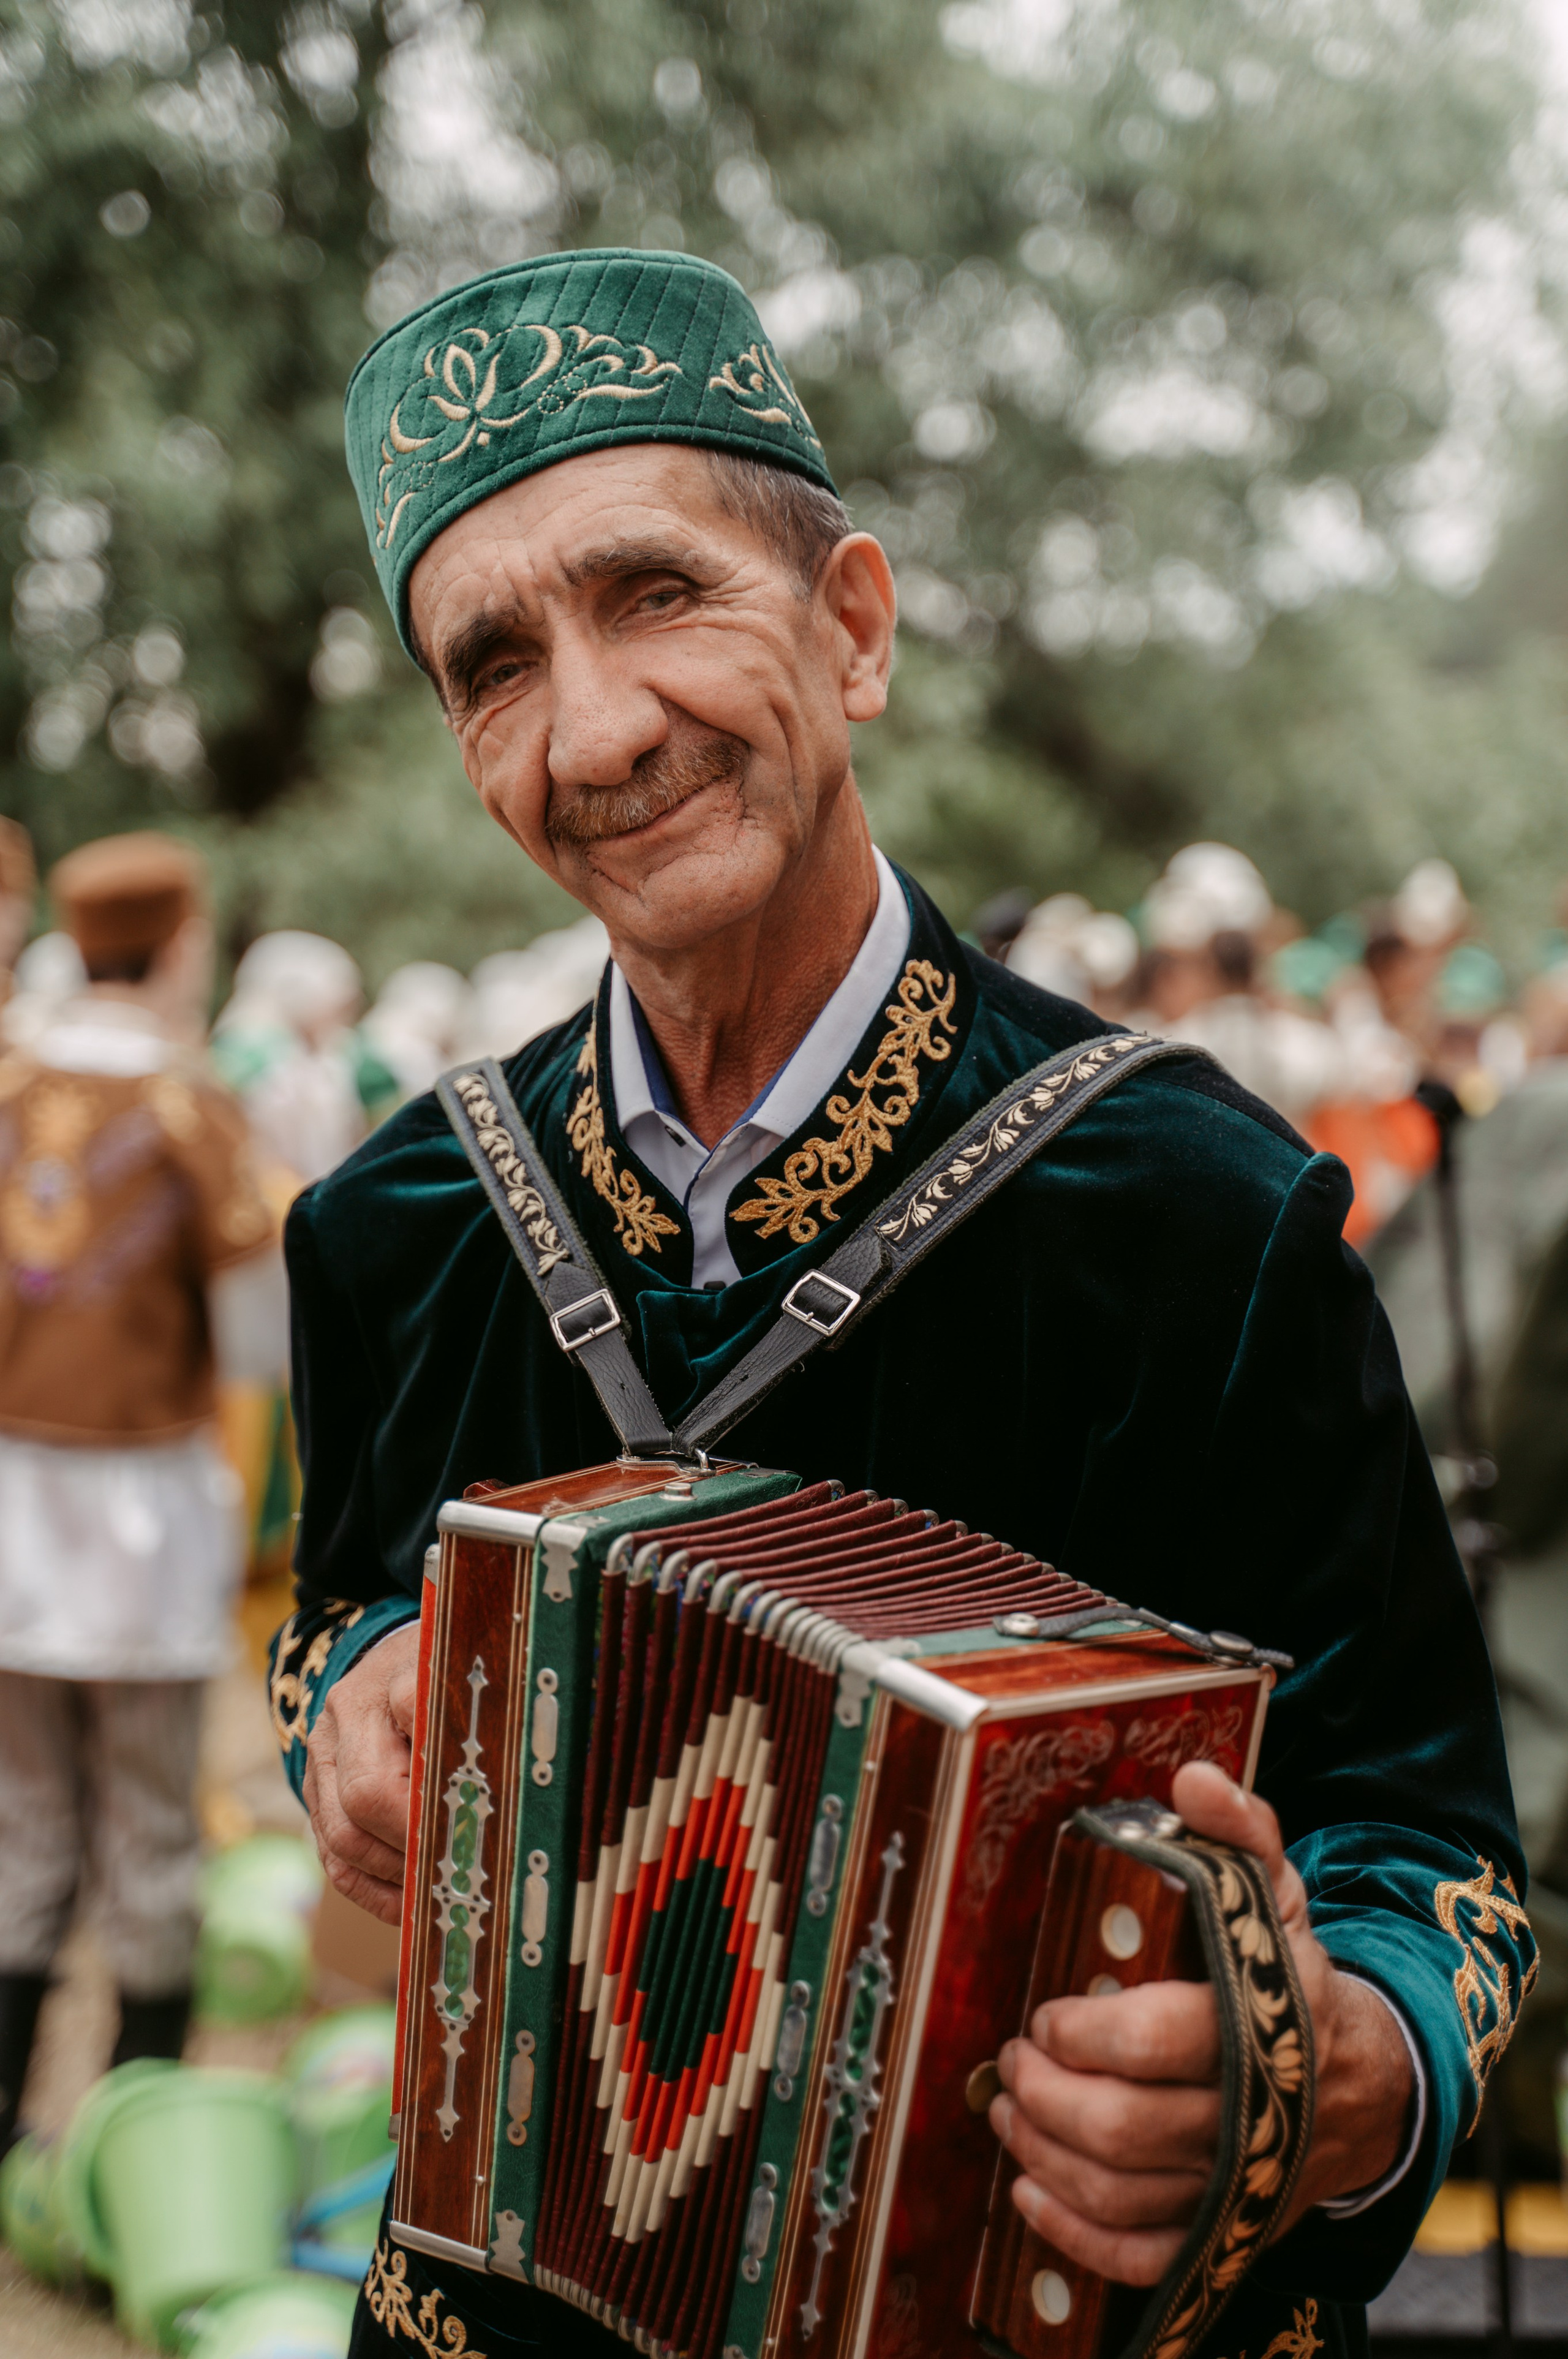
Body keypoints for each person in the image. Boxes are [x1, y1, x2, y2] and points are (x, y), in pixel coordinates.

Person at [269, 250, 1530, 2359]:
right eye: (495, 662)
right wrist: (365, 1692)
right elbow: (338, 1611)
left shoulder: (1198, 1216)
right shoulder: (392, 1227)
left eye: (659, 593)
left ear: (852, 627)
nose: (592, 728)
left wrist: (1329, 2077)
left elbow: (1429, 1843)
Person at [0, 833, 277, 2149]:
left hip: (6, 1509)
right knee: (155, 1834)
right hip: (145, 1523)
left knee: (22, 1826)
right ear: (177, 945)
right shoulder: (190, 1107)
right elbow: (259, 1343)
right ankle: (133, 2148)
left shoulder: (1, 1085)